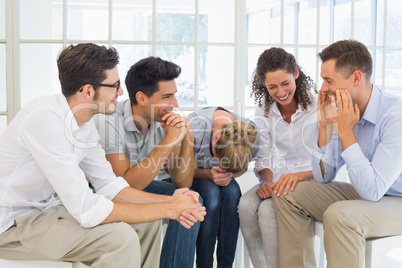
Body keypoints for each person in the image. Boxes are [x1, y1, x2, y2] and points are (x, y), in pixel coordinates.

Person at [0, 43, 205, 268]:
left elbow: (111, 187)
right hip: (12, 226)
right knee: (120, 240)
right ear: (88, 91)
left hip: (48, 212)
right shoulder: (45, 119)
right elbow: (86, 209)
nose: (120, 92)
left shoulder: (83, 122)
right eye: (115, 86)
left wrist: (173, 201)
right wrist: (169, 208)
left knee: (149, 224)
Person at [272, 39, 402, 268]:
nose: (322, 89)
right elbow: (324, 176)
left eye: (328, 80)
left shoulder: (395, 116)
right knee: (288, 194)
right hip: (368, 193)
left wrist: (345, 132)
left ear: (356, 78)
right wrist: (325, 126)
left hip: (395, 199)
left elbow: (373, 189)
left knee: (340, 215)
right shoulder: (345, 109)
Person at [95, 56, 200, 268]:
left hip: (138, 181)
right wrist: (169, 141)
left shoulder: (164, 118)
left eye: (175, 95)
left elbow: (182, 183)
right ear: (141, 98)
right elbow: (123, 188)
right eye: (167, 96)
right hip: (102, 190)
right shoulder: (108, 121)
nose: (176, 104)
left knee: (191, 201)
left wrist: (187, 139)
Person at [237, 47, 318, 268]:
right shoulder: (264, 109)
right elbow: (264, 154)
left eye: (285, 83)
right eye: (272, 86)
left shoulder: (317, 105)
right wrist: (266, 182)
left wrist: (297, 178)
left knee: (267, 210)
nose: (280, 92)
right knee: (245, 205)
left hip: (312, 178)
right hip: (281, 177)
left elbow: (330, 160)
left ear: (296, 74)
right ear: (264, 85)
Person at [186, 107, 259, 268]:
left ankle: (226, 265)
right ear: (216, 137)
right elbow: (172, 170)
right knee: (211, 194)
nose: (219, 166)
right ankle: (204, 264)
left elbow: (240, 170)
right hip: (190, 176)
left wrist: (231, 173)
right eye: (218, 159)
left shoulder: (250, 135)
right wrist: (207, 174)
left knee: (233, 192)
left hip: (216, 180)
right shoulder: (195, 128)